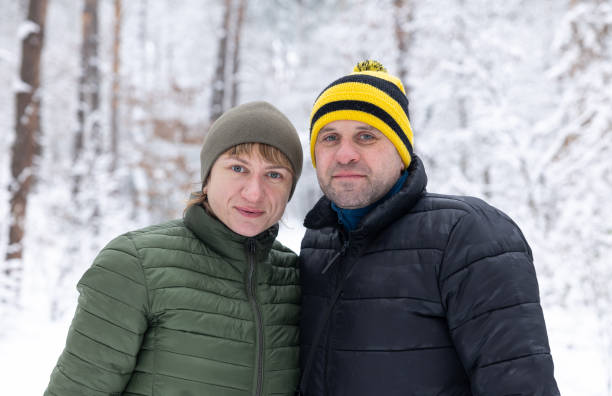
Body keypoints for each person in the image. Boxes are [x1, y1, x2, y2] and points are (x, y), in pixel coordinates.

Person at [297, 60, 559, 395]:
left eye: (366, 136)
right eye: (330, 137)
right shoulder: (318, 243)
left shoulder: (466, 235)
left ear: (401, 151)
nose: (345, 154)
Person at [45, 101, 303, 396]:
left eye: (274, 175)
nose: (254, 192)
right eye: (237, 168)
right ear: (207, 178)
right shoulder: (135, 265)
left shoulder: (295, 278)